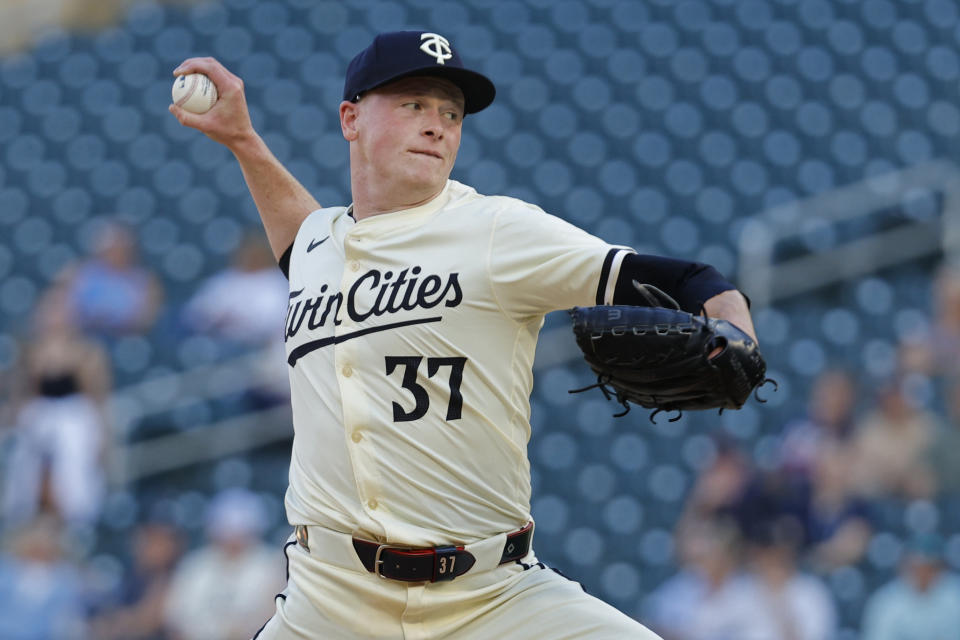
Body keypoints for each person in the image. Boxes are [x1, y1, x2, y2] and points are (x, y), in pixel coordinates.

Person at [169, 30, 758, 639]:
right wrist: (241, 139)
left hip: (493, 598)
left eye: (451, 113)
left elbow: (685, 277)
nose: (437, 125)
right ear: (350, 118)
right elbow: (300, 242)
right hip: (328, 603)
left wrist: (733, 316)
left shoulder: (496, 231)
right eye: (413, 105)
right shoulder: (321, 244)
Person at [1, 284, 111, 526]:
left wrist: (103, 436)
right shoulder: (29, 350)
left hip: (75, 416)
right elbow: (20, 393)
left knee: (74, 456)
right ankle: (21, 511)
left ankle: (78, 514)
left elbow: (96, 396)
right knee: (23, 451)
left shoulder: (87, 351)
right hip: (38, 415)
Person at [163, 488, 285, 640]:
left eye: (240, 533)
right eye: (226, 532)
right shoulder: (193, 565)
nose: (232, 540)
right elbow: (175, 623)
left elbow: (274, 621)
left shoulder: (271, 565)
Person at [861, 533, 960, 640]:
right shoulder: (885, 602)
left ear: (942, 568)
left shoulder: (955, 596)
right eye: (916, 568)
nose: (922, 574)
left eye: (930, 568)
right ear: (904, 566)